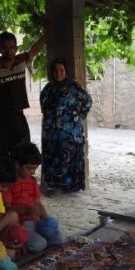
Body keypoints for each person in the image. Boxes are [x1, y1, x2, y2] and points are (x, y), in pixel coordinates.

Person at [0, 30, 46, 160]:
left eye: (11, 47)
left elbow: (34, 50)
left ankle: (20, 180)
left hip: (18, 116)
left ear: (16, 48)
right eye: (4, 48)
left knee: (23, 153)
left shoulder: (21, 60)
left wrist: (46, 33)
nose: (8, 51)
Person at [40, 58, 92, 195]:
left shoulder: (74, 87)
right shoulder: (48, 89)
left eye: (61, 70)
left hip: (70, 132)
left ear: (66, 71)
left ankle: (70, 186)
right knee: (52, 156)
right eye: (56, 70)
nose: (58, 73)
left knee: (68, 157)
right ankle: (52, 185)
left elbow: (87, 101)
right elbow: (43, 107)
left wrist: (78, 117)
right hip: (51, 132)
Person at [3, 142, 66, 253]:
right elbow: (6, 209)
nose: (32, 172)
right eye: (29, 168)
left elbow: (38, 203)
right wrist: (25, 210)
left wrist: (46, 220)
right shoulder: (9, 183)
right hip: (22, 224)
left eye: (35, 169)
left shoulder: (32, 182)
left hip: (37, 221)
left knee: (60, 238)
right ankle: (26, 244)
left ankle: (36, 240)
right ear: (17, 164)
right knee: (39, 245)